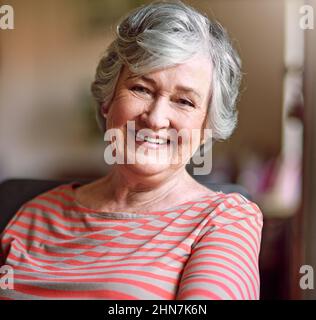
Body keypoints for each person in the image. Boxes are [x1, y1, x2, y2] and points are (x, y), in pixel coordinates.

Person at [0, 1, 263, 300]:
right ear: (107, 100)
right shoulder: (34, 214)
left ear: (207, 130)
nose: (155, 117)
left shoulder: (224, 221)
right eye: (141, 88)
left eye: (185, 101)